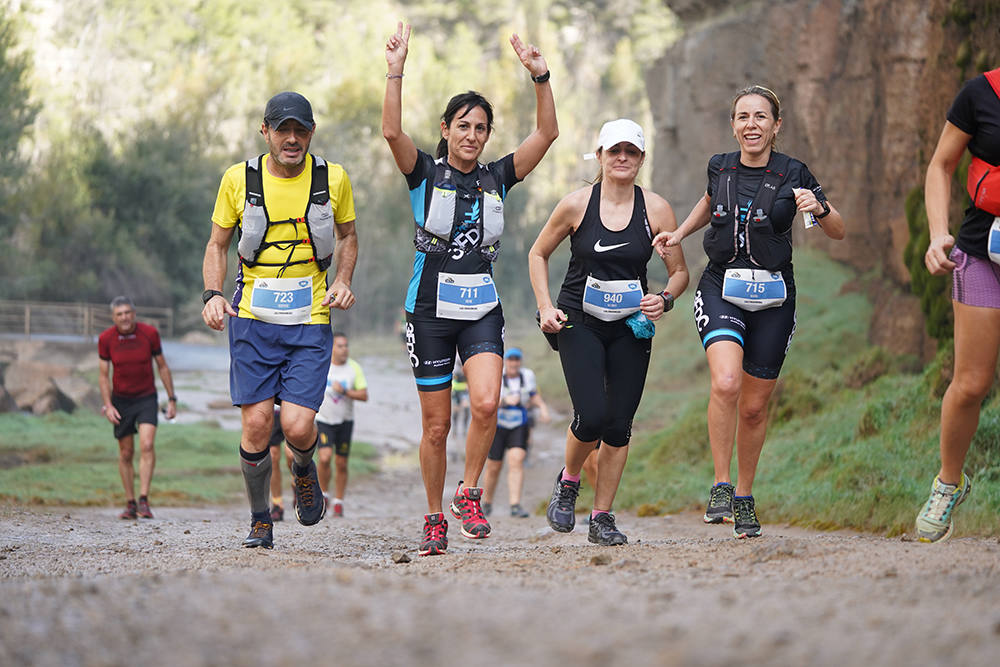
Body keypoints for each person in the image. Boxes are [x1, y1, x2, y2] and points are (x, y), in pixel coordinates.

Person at [382, 22, 558, 555]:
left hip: (481, 305)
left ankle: (470, 493)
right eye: (464, 126)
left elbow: (546, 135)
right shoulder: (423, 173)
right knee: (436, 428)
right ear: (446, 128)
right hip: (429, 308)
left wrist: (540, 76)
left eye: (481, 128)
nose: (472, 135)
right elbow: (391, 133)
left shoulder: (497, 177)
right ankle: (435, 516)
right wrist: (396, 69)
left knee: (486, 403)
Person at [653, 85, 845, 539]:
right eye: (743, 116)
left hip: (775, 297)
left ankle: (743, 494)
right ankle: (720, 483)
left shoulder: (794, 172)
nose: (751, 124)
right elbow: (708, 199)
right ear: (733, 125)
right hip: (722, 286)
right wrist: (680, 233)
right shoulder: (720, 166)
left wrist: (819, 206)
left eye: (761, 117)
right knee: (726, 382)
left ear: (776, 126)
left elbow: (836, 230)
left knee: (755, 408)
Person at [201, 91, 359, 549]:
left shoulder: (333, 178)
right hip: (252, 316)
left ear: (311, 133)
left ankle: (303, 470)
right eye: (283, 129)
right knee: (255, 425)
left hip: (310, 317)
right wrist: (212, 294)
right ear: (265, 131)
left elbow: (348, 237)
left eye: (301, 130)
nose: (292, 139)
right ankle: (260, 520)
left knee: (296, 426)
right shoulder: (238, 179)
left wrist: (343, 279)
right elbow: (217, 245)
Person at [530, 118, 689, 546]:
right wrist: (545, 306)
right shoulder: (576, 205)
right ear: (599, 156)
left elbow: (679, 274)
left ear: (641, 159)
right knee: (593, 415)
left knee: (619, 425)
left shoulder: (656, 210)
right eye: (614, 151)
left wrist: (666, 299)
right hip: (578, 321)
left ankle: (601, 518)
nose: (622, 158)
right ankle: (569, 481)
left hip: (630, 326)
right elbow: (538, 253)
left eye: (631, 152)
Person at [916, 67, 1000, 543]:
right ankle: (949, 484)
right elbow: (941, 165)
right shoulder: (980, 93)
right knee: (971, 383)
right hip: (982, 250)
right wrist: (936, 233)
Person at [98, 296, 177, 520]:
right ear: (113, 317)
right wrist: (108, 404)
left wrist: (172, 399)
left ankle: (144, 500)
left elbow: (162, 367)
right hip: (121, 400)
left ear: (134, 314)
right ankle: (130, 502)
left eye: (127, 313)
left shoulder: (149, 334)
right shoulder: (106, 339)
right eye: (119, 314)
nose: (124, 317)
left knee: (147, 444)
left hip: (146, 398)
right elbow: (104, 376)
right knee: (126, 452)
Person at [481, 347, 550, 518]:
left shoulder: (527, 376)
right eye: (511, 360)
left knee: (516, 460)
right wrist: (504, 400)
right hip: (497, 425)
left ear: (520, 362)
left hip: (519, 424)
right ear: (506, 361)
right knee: (493, 466)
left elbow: (533, 395)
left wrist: (542, 408)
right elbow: (485, 400)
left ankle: (515, 505)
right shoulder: (496, 374)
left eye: (516, 360)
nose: (514, 363)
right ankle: (487, 503)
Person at [315, 331, 369, 517]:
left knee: (342, 462)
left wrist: (345, 391)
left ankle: (338, 501)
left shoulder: (354, 368)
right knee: (324, 457)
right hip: (323, 420)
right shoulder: (321, 365)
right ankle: (323, 495)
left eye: (346, 346)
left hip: (345, 420)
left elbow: (364, 395)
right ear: (331, 348)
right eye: (340, 346)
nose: (344, 349)